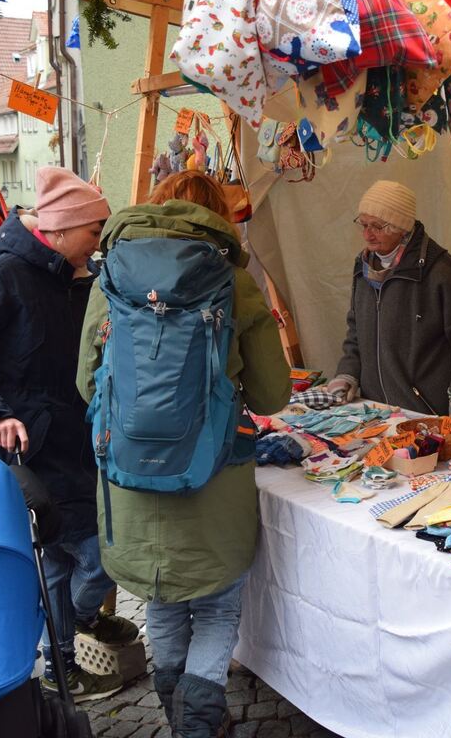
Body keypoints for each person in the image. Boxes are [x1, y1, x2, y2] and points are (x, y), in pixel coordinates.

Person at [77, 170, 290, 737]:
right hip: (212, 477)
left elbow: (86, 383)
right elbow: (272, 394)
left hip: (128, 477)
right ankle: (199, 727)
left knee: (161, 602)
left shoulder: (111, 277)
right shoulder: (234, 281)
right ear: (217, 214)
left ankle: (182, 722)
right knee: (217, 607)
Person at [0, 167, 136, 702]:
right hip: (31, 452)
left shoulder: (79, 275)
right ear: (62, 230)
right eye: (95, 230)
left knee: (69, 558)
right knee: (95, 554)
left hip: (83, 445)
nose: (101, 241)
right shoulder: (2, 277)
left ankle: (65, 654)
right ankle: (67, 651)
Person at [328, 181, 451, 415]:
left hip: (426, 411)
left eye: (377, 226)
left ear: (401, 227)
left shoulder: (437, 270)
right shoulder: (362, 267)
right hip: (376, 411)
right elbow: (356, 331)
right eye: (363, 224)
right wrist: (347, 373)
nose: (367, 235)